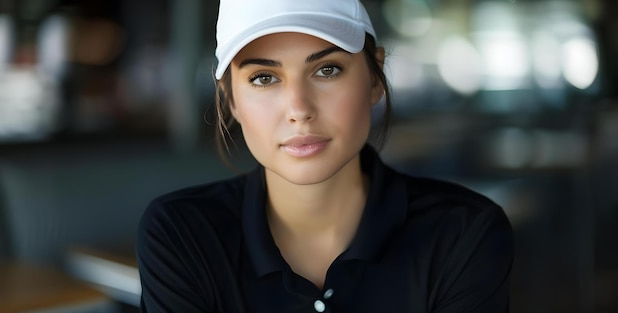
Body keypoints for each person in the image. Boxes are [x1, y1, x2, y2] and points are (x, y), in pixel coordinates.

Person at [136, 0, 514, 312]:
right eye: (264, 78)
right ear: (230, 98)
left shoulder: (462, 233)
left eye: (327, 69)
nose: (299, 109)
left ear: (374, 78)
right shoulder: (181, 233)